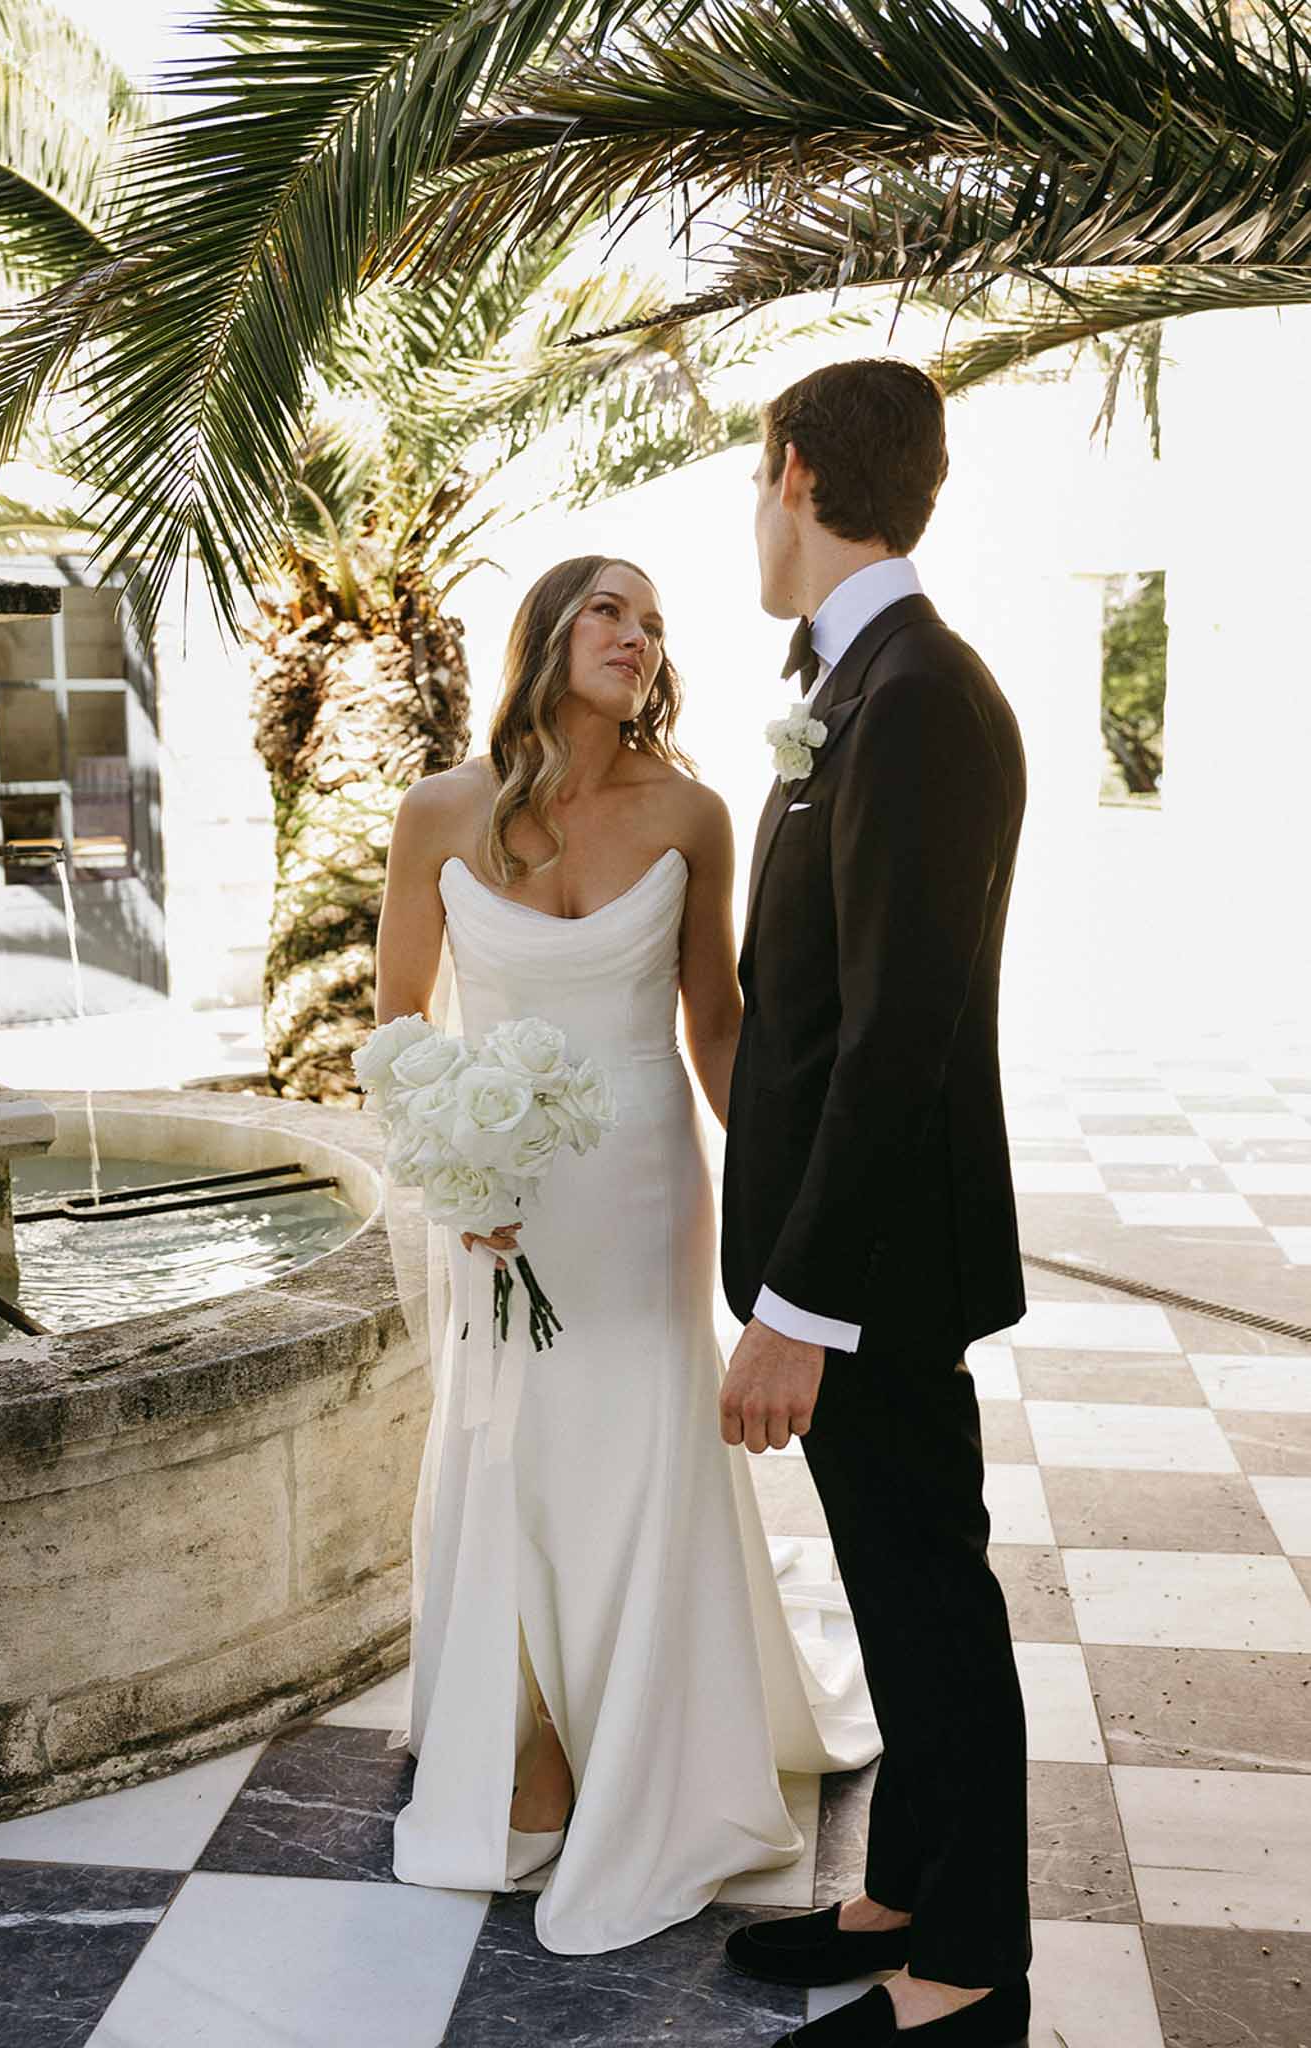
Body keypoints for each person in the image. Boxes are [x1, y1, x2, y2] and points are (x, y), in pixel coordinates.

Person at [375, 553, 879, 1957]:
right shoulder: (436, 814)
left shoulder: (696, 812)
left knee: (642, 1445)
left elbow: (713, 1022)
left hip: (647, 1188)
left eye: (655, 625)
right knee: (516, 1448)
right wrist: (447, 1172)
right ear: (545, 631)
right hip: (500, 1203)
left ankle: (646, 1750)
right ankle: (532, 1735)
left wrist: (792, 1212)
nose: (638, 638)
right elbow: (401, 1025)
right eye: (612, 609)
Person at [718, 360, 1031, 2048]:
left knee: (928, 1596)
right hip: (852, 1261)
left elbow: (899, 1031)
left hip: (877, 1272)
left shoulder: (912, 696)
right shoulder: (861, 678)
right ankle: (901, 1887)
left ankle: (966, 1960)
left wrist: (800, 1305)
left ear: (789, 472)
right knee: (899, 1583)